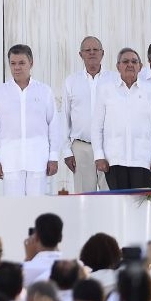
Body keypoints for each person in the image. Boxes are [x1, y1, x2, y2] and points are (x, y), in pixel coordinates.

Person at [0, 44, 60, 196]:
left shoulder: (44, 91)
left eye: (21, 63)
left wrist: (53, 157)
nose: (17, 67)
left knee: (37, 206)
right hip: (10, 160)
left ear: (31, 63)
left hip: (38, 160)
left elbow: (54, 125)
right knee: (13, 207)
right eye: (13, 63)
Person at [92, 48, 151, 189]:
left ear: (140, 66)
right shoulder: (106, 90)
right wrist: (99, 156)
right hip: (114, 161)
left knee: (140, 201)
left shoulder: (150, 91)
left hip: (143, 160)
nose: (130, 65)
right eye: (125, 61)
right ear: (118, 66)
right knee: (119, 201)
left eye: (134, 61)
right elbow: (97, 127)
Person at [62, 36, 115, 192]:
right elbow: (64, 118)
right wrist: (66, 151)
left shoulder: (114, 80)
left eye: (95, 50)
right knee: (84, 198)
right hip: (81, 148)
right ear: (81, 54)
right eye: (87, 50)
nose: (92, 53)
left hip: (108, 147)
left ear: (102, 53)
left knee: (110, 195)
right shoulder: (71, 81)